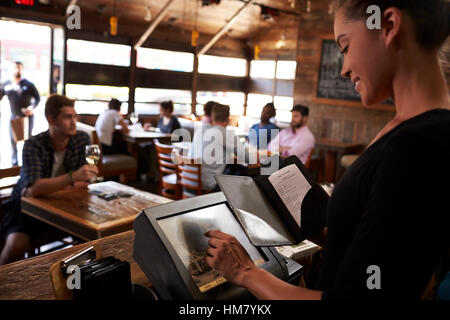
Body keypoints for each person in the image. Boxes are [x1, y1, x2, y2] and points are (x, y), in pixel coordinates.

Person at [205, 0, 450, 300]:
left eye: (345, 47)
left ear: (387, 25)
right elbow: (383, 254)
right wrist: (317, 230)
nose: (345, 69)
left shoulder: (417, 145)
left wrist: (245, 272)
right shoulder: (408, 130)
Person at [0, 94, 98, 265]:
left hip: (66, 206)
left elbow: (84, 182)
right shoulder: (34, 145)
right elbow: (33, 190)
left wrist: (55, 186)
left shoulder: (82, 139)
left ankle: (75, 284)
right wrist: (72, 178)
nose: (74, 122)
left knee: (92, 237)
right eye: (68, 117)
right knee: (16, 245)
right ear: (51, 119)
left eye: (75, 117)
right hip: (27, 209)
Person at [188, 103, 245, 192]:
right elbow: (246, 157)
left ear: (212, 117)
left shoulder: (200, 129)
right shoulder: (226, 134)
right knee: (242, 172)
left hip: (187, 180)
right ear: (228, 119)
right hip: (206, 186)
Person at [0, 61, 40, 166]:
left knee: (28, 141)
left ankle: (28, 162)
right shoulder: (6, 84)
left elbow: (37, 98)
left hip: (27, 117)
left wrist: (32, 107)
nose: (17, 70)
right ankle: (14, 164)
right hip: (14, 116)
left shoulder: (28, 84)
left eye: (19, 68)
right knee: (13, 140)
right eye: (15, 68)